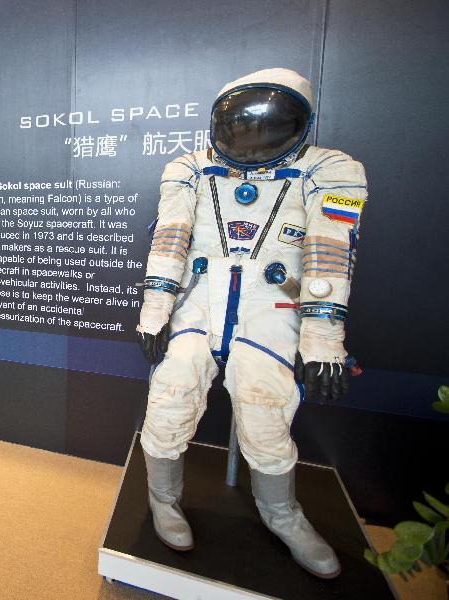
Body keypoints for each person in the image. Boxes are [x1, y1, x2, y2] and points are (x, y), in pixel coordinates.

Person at [136, 69, 367, 578]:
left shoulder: (332, 172)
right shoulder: (190, 171)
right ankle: (163, 500)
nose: (253, 142)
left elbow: (330, 255)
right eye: (241, 129)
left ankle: (282, 514)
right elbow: (170, 242)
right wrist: (154, 314)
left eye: (267, 129)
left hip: (272, 310)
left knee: (265, 410)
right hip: (200, 307)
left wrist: (324, 343)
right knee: (171, 395)